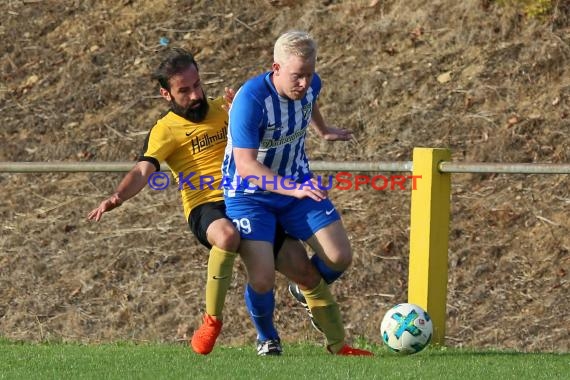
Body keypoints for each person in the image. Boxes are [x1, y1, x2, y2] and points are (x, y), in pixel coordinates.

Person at [87, 47, 369, 356]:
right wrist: (118, 196)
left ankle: (339, 347)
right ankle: (216, 322)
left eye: (197, 85)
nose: (195, 95)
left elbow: (278, 122)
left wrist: (252, 115)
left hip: (251, 198)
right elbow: (143, 169)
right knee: (227, 236)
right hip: (206, 205)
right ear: (165, 94)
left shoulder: (228, 108)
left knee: (305, 273)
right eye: (184, 90)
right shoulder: (164, 130)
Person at [222, 30, 373, 356]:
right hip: (249, 194)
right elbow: (246, 166)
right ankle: (267, 338)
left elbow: (310, 101)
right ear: (275, 68)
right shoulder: (250, 101)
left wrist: (323, 130)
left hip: (295, 184)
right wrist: (295, 188)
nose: (304, 83)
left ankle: (303, 288)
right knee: (261, 279)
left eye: (309, 74)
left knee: (339, 257)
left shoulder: (310, 84)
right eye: (296, 76)